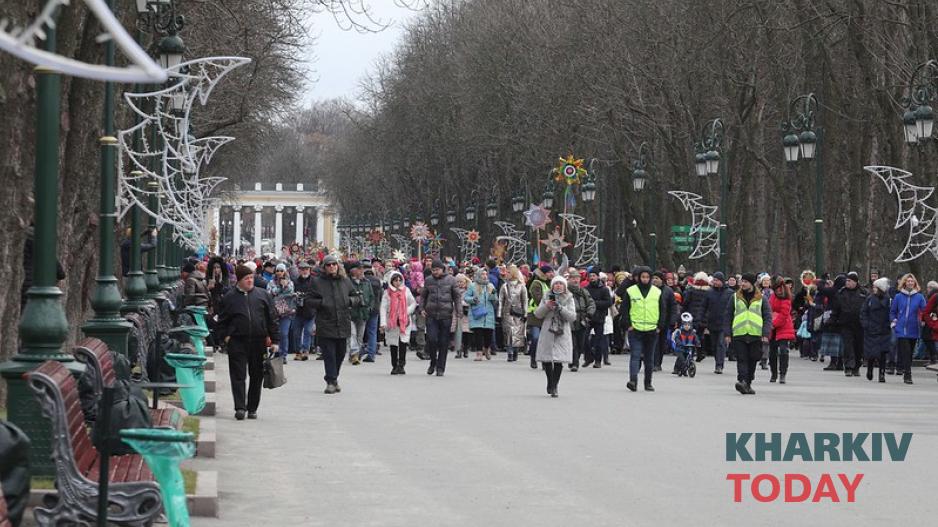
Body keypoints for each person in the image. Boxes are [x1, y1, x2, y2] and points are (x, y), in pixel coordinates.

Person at [217, 265, 279, 420]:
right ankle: (240, 407)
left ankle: (252, 408)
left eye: (251, 277)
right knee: (238, 375)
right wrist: (225, 338)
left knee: (256, 375)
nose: (250, 281)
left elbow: (272, 318)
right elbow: (222, 321)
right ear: (239, 280)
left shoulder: (263, 295)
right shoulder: (229, 297)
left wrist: (275, 340)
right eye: (246, 278)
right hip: (237, 341)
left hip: (258, 341)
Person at [307, 255, 362, 394]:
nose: (331, 267)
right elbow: (308, 300)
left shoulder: (345, 281)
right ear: (324, 267)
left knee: (340, 353)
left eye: (334, 264)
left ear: (338, 266)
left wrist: (350, 301)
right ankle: (330, 381)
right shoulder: (317, 282)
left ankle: (334, 378)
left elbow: (356, 297)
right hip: (325, 322)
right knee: (329, 354)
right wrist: (322, 303)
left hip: (343, 321)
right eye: (328, 265)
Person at [723, 273, 772, 395]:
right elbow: (728, 315)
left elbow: (767, 317)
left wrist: (765, 333)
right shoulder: (735, 297)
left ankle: (748, 383)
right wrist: (727, 333)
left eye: (745, 282)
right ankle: (742, 381)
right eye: (742, 281)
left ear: (752, 283)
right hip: (739, 333)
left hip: (755, 334)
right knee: (742, 359)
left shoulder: (762, 298)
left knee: (753, 359)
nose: (743, 284)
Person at [622, 266, 665, 392]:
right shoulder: (631, 291)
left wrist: (659, 326)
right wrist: (628, 325)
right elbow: (624, 309)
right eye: (643, 277)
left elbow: (662, 310)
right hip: (635, 328)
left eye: (647, 277)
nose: (645, 279)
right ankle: (633, 381)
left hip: (652, 329)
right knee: (635, 355)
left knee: (649, 358)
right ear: (638, 278)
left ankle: (648, 382)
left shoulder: (657, 292)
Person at [534, 275, 577, 397]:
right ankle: (550, 381)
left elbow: (572, 317)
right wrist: (547, 306)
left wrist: (561, 308)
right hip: (548, 329)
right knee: (548, 358)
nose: (558, 286)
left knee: (559, 359)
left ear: (564, 286)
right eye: (556, 284)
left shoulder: (569, 298)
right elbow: (538, 314)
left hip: (562, 330)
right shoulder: (546, 296)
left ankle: (555, 385)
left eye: (561, 284)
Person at [421, 260, 460, 375]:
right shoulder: (428, 280)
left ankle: (440, 367)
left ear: (442, 269)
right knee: (432, 339)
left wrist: (459, 311)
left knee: (444, 342)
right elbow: (423, 296)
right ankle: (433, 362)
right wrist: (421, 308)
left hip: (446, 314)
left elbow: (457, 297)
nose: (435, 272)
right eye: (433, 270)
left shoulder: (451, 280)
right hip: (431, 314)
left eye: (437, 270)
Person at [890, 273, 925, 385]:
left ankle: (906, 369)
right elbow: (892, 311)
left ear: (915, 283)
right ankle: (908, 374)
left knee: (910, 353)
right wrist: (894, 321)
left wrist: (924, 319)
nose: (910, 283)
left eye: (912, 281)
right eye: (908, 281)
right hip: (901, 329)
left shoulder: (919, 297)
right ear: (904, 283)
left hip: (913, 328)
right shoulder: (898, 296)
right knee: (906, 351)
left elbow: (925, 310)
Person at [380, 270, 417, 374]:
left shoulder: (406, 290)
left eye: (399, 280)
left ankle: (401, 364)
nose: (397, 282)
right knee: (393, 344)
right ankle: (394, 365)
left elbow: (413, 303)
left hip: (404, 321)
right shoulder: (387, 293)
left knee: (403, 342)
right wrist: (383, 323)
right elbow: (383, 308)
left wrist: (406, 311)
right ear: (391, 281)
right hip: (391, 321)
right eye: (395, 280)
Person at [836, 272, 867, 377]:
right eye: (847, 280)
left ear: (855, 282)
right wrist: (833, 319)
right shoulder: (841, 292)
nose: (847, 282)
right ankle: (848, 366)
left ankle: (856, 366)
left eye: (849, 281)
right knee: (848, 346)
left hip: (859, 324)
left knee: (858, 346)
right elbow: (836, 308)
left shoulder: (863, 292)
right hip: (846, 323)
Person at [702, 271, 734, 373]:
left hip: (724, 323)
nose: (715, 282)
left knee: (721, 344)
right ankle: (717, 361)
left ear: (722, 281)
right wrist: (703, 320)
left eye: (717, 280)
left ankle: (719, 365)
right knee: (714, 345)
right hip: (712, 322)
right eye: (714, 280)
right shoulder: (709, 292)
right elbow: (704, 307)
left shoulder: (730, 293)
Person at [861, 277, 892, 382]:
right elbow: (864, 312)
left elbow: (891, 313)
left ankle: (882, 373)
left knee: (883, 353)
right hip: (871, 329)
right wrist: (866, 324)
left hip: (884, 330)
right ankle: (870, 370)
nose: (873, 289)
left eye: (875, 287)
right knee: (871, 353)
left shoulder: (888, 300)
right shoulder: (870, 299)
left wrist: (890, 324)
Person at [464, 269, 498, 362]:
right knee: (478, 333)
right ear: (478, 275)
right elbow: (466, 297)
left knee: (488, 334)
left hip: (488, 314)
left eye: (486, 274)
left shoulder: (490, 285)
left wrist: (493, 294)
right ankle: (479, 353)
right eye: (483, 274)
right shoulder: (472, 285)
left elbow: (495, 299)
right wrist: (473, 299)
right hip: (477, 313)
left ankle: (486, 349)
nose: (485, 276)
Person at [498, 265, 529, 362]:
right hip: (506, 312)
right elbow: (501, 300)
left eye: (508, 272)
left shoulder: (522, 286)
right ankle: (510, 352)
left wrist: (525, 314)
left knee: (517, 333)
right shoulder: (504, 286)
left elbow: (525, 301)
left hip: (518, 313)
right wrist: (499, 314)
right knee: (508, 332)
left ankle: (515, 350)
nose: (506, 274)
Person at [567, 268, 596, 371]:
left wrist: (589, 314)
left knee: (581, 343)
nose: (575, 280)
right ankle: (575, 362)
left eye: (577, 278)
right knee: (573, 343)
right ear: (569, 279)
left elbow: (591, 304)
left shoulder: (583, 292)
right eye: (573, 278)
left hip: (582, 320)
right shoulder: (566, 292)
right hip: (570, 320)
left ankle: (574, 360)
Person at [348, 261, 376, 365]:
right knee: (352, 334)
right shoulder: (348, 282)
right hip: (350, 313)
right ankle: (354, 353)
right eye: (359, 269)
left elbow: (372, 297)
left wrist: (370, 307)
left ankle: (355, 355)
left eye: (362, 269)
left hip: (363, 313)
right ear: (353, 271)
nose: (361, 271)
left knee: (360, 337)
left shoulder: (366, 282)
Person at [267, 262, 295, 363]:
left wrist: (285, 286)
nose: (279, 272)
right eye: (277, 270)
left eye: (281, 270)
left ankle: (283, 354)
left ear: (285, 271)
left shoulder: (290, 282)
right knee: (275, 333)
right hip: (274, 311)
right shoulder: (271, 282)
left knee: (284, 333)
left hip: (286, 312)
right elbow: (270, 293)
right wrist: (280, 288)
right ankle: (277, 353)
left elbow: (290, 292)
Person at [527, 265, 554, 369]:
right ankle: (533, 357)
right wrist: (548, 303)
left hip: (547, 315)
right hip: (535, 315)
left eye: (552, 272)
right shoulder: (536, 283)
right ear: (543, 274)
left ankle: (544, 360)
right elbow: (538, 299)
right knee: (536, 338)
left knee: (546, 340)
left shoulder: (551, 284)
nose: (551, 274)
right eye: (549, 272)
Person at [769, 276, 795, 384]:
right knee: (772, 352)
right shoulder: (772, 296)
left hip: (783, 327)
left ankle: (782, 373)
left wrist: (773, 324)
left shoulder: (786, 296)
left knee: (783, 351)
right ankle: (774, 373)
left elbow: (784, 314)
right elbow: (769, 309)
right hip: (773, 327)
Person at [651, 271, 679, 372]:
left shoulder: (668, 291)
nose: (654, 280)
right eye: (653, 278)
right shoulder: (650, 289)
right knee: (654, 342)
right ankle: (653, 363)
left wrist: (673, 320)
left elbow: (673, 306)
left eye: (657, 278)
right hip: (652, 320)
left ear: (661, 280)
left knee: (661, 343)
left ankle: (658, 363)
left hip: (664, 321)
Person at [293, 261, 316, 361]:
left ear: (310, 270)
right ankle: (298, 351)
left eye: (306, 269)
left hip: (310, 310)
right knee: (296, 333)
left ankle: (305, 351)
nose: (304, 271)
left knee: (308, 331)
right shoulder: (295, 281)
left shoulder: (314, 281)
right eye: (302, 269)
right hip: (298, 310)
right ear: (299, 270)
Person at [452, 273, 471, 359]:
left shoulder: (469, 290)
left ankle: (466, 349)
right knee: (457, 332)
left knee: (466, 332)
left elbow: (471, 300)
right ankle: (458, 350)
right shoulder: (454, 291)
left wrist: (461, 303)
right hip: (456, 313)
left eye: (461, 282)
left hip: (466, 313)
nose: (460, 284)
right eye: (458, 282)